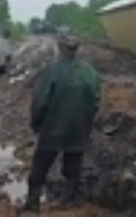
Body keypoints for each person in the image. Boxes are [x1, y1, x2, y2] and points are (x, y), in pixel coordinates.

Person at [22, 35, 101, 212]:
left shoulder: (51, 71)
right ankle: (68, 199)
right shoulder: (89, 71)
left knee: (40, 165)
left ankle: (32, 203)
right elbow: (96, 101)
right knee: (73, 163)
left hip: (53, 128)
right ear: (76, 49)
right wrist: (86, 121)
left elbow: (40, 102)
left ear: (59, 48)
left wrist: (36, 123)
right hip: (79, 128)